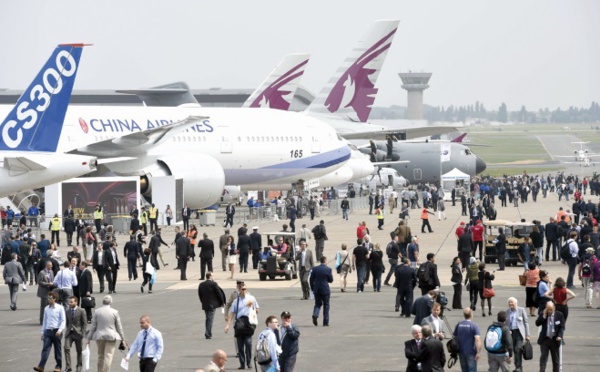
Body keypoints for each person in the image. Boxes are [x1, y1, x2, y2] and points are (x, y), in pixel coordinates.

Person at [86, 295, 126, 372]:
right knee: (108, 356)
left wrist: (89, 338)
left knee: (100, 355)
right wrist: (122, 339)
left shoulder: (97, 312)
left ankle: (100, 370)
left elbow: (93, 326)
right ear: (111, 302)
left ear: (102, 302)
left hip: (99, 336)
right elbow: (119, 327)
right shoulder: (115, 312)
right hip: (111, 336)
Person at [225, 284, 259, 370]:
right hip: (239, 323)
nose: (244, 291)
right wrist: (227, 325)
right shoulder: (236, 301)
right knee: (240, 345)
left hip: (248, 323)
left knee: (248, 343)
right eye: (242, 289)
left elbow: (257, 309)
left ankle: (249, 362)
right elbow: (232, 313)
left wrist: (253, 310)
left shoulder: (252, 298)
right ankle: (242, 363)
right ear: (239, 290)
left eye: (245, 289)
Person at [34, 292, 66, 372]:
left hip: (56, 331)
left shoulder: (60, 308)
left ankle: (58, 366)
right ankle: (41, 366)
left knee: (57, 350)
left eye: (50, 298)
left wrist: (60, 330)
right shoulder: (46, 308)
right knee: (45, 349)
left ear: (55, 299)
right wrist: (42, 332)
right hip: (48, 331)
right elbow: (45, 321)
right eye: (48, 298)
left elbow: (63, 321)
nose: (48, 300)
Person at [535, 302, 564, 372]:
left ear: (554, 308)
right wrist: (544, 316)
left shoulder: (559, 315)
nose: (549, 311)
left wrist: (560, 336)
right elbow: (537, 323)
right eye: (548, 309)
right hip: (545, 340)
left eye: (551, 309)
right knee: (543, 358)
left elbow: (562, 327)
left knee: (556, 359)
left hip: (555, 340)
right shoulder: (543, 314)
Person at [198, 272, 226, 340]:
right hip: (212, 304)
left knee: (208, 318)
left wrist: (202, 302)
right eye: (213, 275)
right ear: (210, 276)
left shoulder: (201, 284)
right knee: (210, 319)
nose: (214, 276)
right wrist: (222, 302)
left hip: (205, 304)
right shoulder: (214, 284)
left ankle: (208, 332)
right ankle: (208, 333)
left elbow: (200, 294)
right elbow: (219, 293)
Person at [454, 307, 482, 372]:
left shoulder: (459, 324)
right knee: (472, 370)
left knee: (464, 370)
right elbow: (477, 340)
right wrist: (478, 352)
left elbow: (455, 337)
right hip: (471, 352)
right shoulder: (474, 325)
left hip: (461, 351)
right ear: (471, 314)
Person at [64, 296, 87, 372]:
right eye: (69, 302)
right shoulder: (67, 311)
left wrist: (82, 333)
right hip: (69, 333)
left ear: (76, 302)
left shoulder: (81, 310)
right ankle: (68, 367)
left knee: (79, 350)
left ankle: (79, 366)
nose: (69, 303)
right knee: (66, 348)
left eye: (71, 302)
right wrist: (68, 329)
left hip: (78, 333)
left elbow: (84, 323)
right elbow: (67, 323)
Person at [506, 297, 530, 372]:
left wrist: (527, 334)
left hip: (519, 333)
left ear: (516, 303)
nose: (510, 303)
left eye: (512, 302)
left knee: (518, 349)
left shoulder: (521, 310)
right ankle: (511, 367)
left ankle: (518, 367)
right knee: (510, 350)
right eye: (509, 302)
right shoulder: (507, 311)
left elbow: (526, 323)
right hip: (510, 333)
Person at [310, 256, 333, 326]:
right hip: (325, 289)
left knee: (317, 303)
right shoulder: (328, 269)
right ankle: (325, 322)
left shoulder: (315, 269)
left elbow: (311, 279)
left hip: (317, 289)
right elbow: (331, 280)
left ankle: (315, 314)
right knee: (326, 305)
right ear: (325, 261)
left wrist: (313, 288)